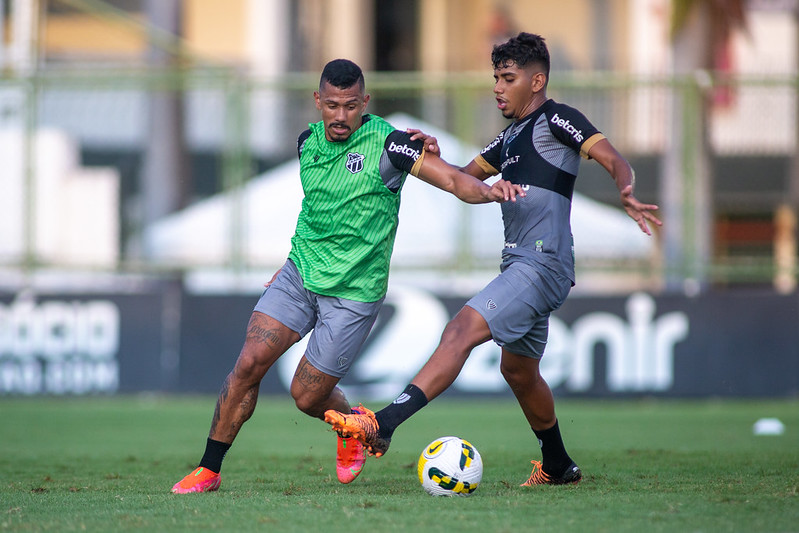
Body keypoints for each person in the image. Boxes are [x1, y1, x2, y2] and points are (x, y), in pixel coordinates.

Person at [171, 58, 524, 493]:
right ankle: (209, 470)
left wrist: (489, 191)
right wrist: (290, 260)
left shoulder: (392, 145)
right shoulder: (307, 142)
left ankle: (352, 425)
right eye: (333, 105)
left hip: (354, 293)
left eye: (351, 106)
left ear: (365, 103)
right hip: (299, 274)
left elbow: (452, 180)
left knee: (306, 396)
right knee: (248, 364)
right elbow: (316, 207)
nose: (341, 116)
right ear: (317, 101)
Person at [325, 33, 663, 486]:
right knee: (518, 371)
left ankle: (382, 424)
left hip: (542, 263)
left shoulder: (557, 119)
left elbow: (614, 157)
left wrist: (626, 187)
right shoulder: (508, 138)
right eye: (496, 78)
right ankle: (558, 465)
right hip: (521, 264)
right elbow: (461, 181)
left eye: (508, 78)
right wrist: (433, 155)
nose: (498, 88)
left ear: (537, 81)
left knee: (460, 330)